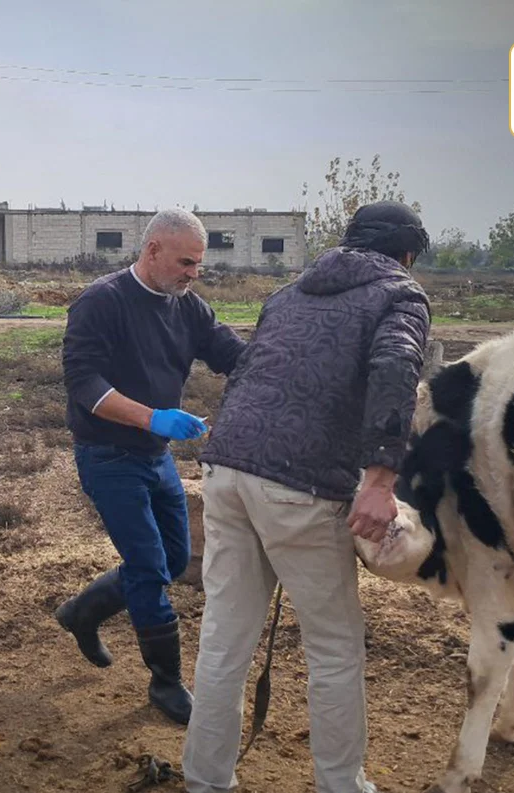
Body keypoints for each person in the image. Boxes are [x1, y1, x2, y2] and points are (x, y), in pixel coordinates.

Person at [181, 201, 432, 793]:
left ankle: (206, 780)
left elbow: (254, 371)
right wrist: (380, 482)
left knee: (224, 637)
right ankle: (341, 784)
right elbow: (396, 370)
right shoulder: (401, 294)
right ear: (407, 254)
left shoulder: (289, 293)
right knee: (334, 647)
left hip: (227, 469)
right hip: (301, 485)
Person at [56, 207, 246, 725]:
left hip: (154, 456)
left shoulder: (188, 307)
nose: (193, 273)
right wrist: (152, 417)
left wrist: (289, 365)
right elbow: (84, 384)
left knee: (173, 558)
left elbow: (234, 355)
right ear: (153, 250)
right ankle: (166, 681)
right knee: (147, 568)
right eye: (186, 262)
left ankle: (83, 612)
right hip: (107, 455)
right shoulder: (102, 302)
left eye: (199, 264)